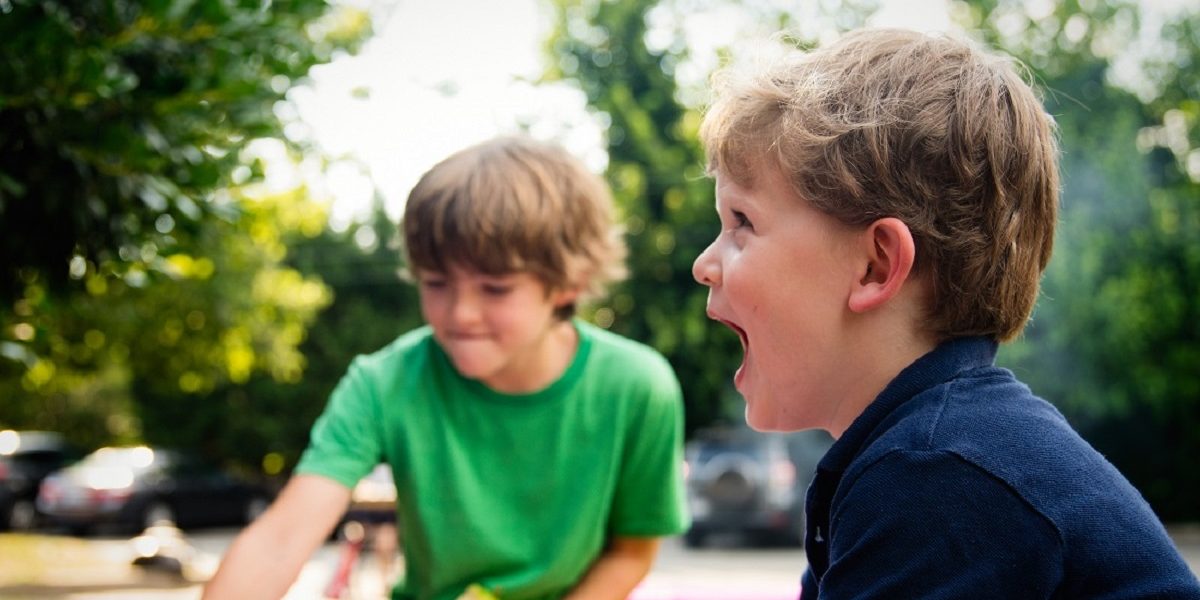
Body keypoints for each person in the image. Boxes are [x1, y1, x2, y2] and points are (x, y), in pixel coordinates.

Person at [691, 28, 1200, 598]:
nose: (703, 264)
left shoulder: (935, 477)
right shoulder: (926, 451)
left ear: (877, 266)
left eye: (742, 222)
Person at [204, 135, 690, 600]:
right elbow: (280, 541)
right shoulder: (384, 382)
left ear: (570, 282)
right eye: (436, 283)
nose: (459, 314)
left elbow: (631, 552)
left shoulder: (637, 386)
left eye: (495, 288)